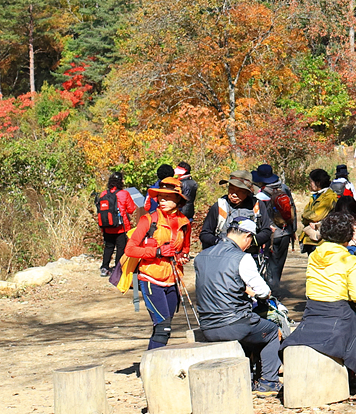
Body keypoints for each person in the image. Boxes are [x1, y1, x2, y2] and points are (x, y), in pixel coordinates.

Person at [283, 209, 356, 388]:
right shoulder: (348, 259)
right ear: (348, 236)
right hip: (338, 313)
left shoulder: (314, 255)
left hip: (313, 309)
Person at [192, 213, 284, 395]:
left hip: (207, 325)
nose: (249, 245)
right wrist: (254, 292)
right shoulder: (241, 258)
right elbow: (263, 291)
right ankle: (269, 382)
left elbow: (214, 285)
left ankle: (248, 378)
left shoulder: (201, 256)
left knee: (253, 330)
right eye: (251, 241)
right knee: (272, 331)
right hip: (235, 323)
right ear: (247, 236)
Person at [122, 176, 192, 350]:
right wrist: (157, 252)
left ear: (178, 200)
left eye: (168, 197)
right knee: (163, 327)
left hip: (173, 280)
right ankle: (151, 363)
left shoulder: (184, 223)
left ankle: (153, 361)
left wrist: (182, 257)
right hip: (150, 278)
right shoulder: (148, 220)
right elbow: (130, 249)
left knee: (163, 327)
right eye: (160, 196)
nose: (163, 200)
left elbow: (185, 249)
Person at [199, 173, 274, 253]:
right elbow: (205, 234)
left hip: (249, 255)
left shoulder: (257, 206)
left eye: (239, 191)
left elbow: (266, 231)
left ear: (248, 192)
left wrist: (250, 241)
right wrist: (220, 242)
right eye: (231, 189)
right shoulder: (220, 206)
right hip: (222, 254)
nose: (234, 194)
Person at [252, 164, 294, 293]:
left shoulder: (261, 195)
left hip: (270, 236)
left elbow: (259, 216)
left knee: (270, 265)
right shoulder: (284, 189)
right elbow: (292, 209)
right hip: (285, 232)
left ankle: (271, 293)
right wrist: (292, 230)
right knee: (279, 265)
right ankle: (275, 289)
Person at [94, 173, 137, 276]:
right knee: (120, 248)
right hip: (121, 227)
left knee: (108, 247)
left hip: (107, 226)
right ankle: (117, 269)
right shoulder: (124, 194)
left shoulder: (104, 193)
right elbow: (131, 209)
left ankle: (104, 268)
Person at [297, 168, 338, 252]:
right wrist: (307, 217)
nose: (310, 184)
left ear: (318, 183)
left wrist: (307, 216)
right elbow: (305, 214)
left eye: (311, 182)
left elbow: (316, 216)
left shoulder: (329, 197)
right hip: (310, 240)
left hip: (321, 241)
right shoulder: (315, 196)